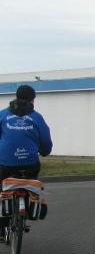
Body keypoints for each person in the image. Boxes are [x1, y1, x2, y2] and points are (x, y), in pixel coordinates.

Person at [0, 85, 53, 235]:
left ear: (16, 97)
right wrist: (45, 151)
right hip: (30, 164)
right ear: (32, 100)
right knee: (31, 183)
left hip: (6, 164)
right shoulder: (37, 117)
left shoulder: (3, 115)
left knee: (2, 188)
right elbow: (45, 141)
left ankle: (1, 226)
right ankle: (28, 205)